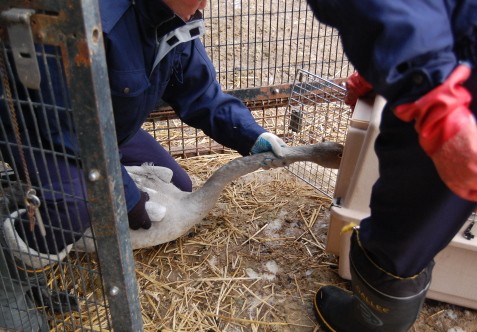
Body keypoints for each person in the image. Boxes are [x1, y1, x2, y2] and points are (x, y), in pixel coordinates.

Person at [0, 0, 286, 330]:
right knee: (79, 205)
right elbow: (65, 123)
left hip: (106, 128)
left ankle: (44, 218)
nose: (202, 5)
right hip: (40, 130)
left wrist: (251, 135)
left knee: (178, 185)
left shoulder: (176, 19)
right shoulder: (96, 21)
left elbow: (202, 95)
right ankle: (11, 276)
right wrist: (124, 195)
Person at [305, 1, 477, 331]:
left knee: (403, 227)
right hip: (475, 32)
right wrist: (382, 70)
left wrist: (432, 101)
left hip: (470, 70)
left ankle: (372, 321)